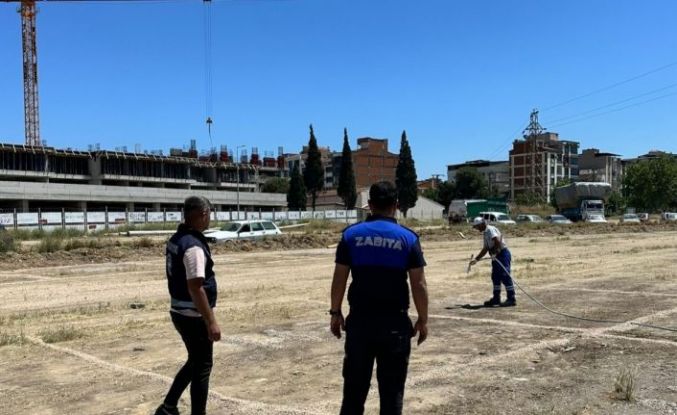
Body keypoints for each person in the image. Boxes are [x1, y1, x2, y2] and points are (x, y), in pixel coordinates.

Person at [329, 181, 429, 415]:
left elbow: (339, 278)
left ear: (370, 205)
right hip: (395, 326)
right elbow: (419, 284)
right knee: (392, 395)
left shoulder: (350, 235)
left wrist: (335, 312)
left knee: (353, 395)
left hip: (360, 325)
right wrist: (423, 320)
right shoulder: (408, 239)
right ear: (396, 205)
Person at [155, 196, 221, 415]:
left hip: (179, 311)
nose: (210, 218)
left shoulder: (178, 238)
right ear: (203, 214)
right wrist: (211, 321)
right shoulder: (193, 246)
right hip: (193, 316)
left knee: (195, 361)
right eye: (209, 214)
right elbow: (196, 287)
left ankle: (168, 407)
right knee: (203, 367)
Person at [469, 217, 516, 307]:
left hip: (502, 254)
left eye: (477, 226)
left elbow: (497, 241)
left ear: (482, 224)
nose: (476, 229)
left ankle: (511, 299)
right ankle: (496, 299)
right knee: (495, 277)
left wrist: (495, 252)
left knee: (505, 275)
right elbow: (485, 248)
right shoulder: (485, 233)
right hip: (496, 256)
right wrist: (476, 259)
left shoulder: (490, 230)